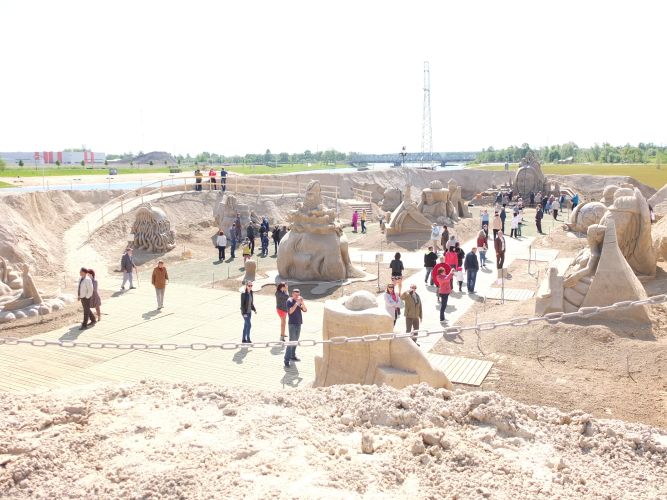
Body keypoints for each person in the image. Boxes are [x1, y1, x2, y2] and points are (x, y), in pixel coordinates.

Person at [284, 288, 307, 367]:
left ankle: (292, 356)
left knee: (295, 341)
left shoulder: (299, 301)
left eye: (298, 295)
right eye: (295, 295)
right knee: (291, 342)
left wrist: (302, 302)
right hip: (292, 324)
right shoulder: (289, 301)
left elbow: (305, 310)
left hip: (298, 323)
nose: (297, 296)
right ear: (292, 294)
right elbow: (290, 311)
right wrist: (297, 303)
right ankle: (286, 360)